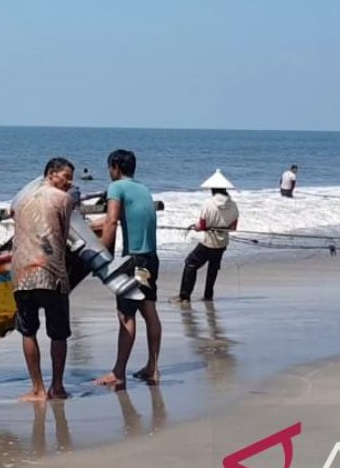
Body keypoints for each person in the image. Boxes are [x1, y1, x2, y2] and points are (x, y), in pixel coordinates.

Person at [10, 157, 76, 401]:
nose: (69, 183)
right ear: (50, 173)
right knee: (58, 333)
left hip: (21, 273)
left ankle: (37, 388)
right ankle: (56, 387)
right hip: (51, 272)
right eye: (66, 177)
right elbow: (64, 233)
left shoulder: (22, 199)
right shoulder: (64, 199)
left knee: (29, 331)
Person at [95, 149, 161, 386]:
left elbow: (111, 220)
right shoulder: (143, 188)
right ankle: (153, 368)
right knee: (149, 310)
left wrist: (102, 254)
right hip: (150, 258)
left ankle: (118, 372)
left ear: (115, 167)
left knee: (126, 314)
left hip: (133, 260)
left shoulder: (116, 188)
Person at [173, 169, 240, 303]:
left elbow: (202, 226)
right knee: (213, 268)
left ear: (213, 189)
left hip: (209, 241)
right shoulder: (233, 205)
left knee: (190, 263)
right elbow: (233, 227)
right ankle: (208, 296)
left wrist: (195, 227)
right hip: (222, 242)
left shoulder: (208, 203)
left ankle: (185, 296)